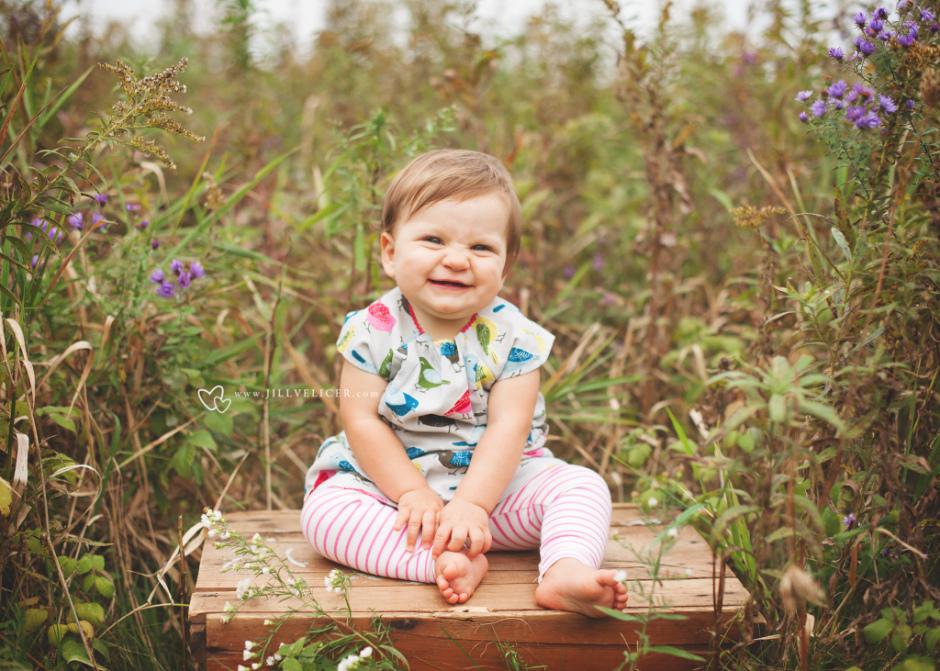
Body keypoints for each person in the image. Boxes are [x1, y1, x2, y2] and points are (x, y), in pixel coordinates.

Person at [301, 149, 627, 617]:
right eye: (433, 239)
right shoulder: (372, 329)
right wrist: (411, 493)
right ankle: (444, 562)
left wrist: (473, 504)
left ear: (506, 265)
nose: (456, 260)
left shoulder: (514, 337)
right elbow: (359, 418)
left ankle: (564, 570)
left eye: (481, 248)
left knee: (582, 486)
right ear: (390, 253)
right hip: (393, 494)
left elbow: (508, 429)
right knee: (325, 516)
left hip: (496, 492)